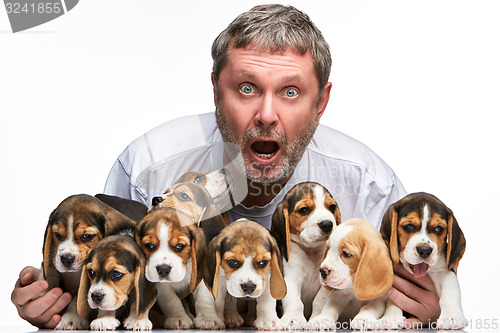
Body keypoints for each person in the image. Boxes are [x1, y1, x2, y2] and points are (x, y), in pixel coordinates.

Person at [11, 4, 439, 329]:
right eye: (247, 88)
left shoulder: (369, 185)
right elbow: (113, 298)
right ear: (217, 91)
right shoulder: (148, 168)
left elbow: (409, 304)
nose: (267, 114)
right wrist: (63, 313)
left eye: (291, 91)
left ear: (321, 102)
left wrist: (427, 317)